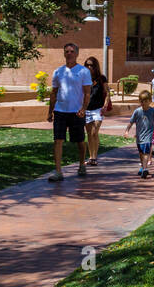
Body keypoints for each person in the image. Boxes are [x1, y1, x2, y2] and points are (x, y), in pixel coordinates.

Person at [46, 42, 92, 182]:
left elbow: (87, 93)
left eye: (72, 51)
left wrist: (83, 109)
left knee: (79, 141)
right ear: (64, 53)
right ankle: (58, 171)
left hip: (76, 112)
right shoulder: (58, 72)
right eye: (67, 51)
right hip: (60, 111)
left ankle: (81, 164)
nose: (69, 53)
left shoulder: (84, 71)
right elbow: (54, 93)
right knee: (57, 140)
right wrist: (50, 111)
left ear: (77, 54)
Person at [83, 56, 112, 166]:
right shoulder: (84, 78)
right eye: (87, 65)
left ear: (95, 66)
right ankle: (91, 157)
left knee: (95, 132)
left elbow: (107, 92)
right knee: (90, 134)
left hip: (98, 109)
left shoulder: (102, 78)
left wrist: (105, 106)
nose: (89, 67)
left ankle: (94, 157)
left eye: (91, 65)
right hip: (87, 109)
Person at [126, 88, 154, 178]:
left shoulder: (153, 111)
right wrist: (127, 131)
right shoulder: (137, 111)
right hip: (139, 136)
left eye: (145, 101)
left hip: (148, 136)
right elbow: (131, 122)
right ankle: (143, 167)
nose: (143, 103)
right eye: (141, 101)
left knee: (146, 152)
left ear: (150, 101)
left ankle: (145, 169)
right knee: (141, 153)